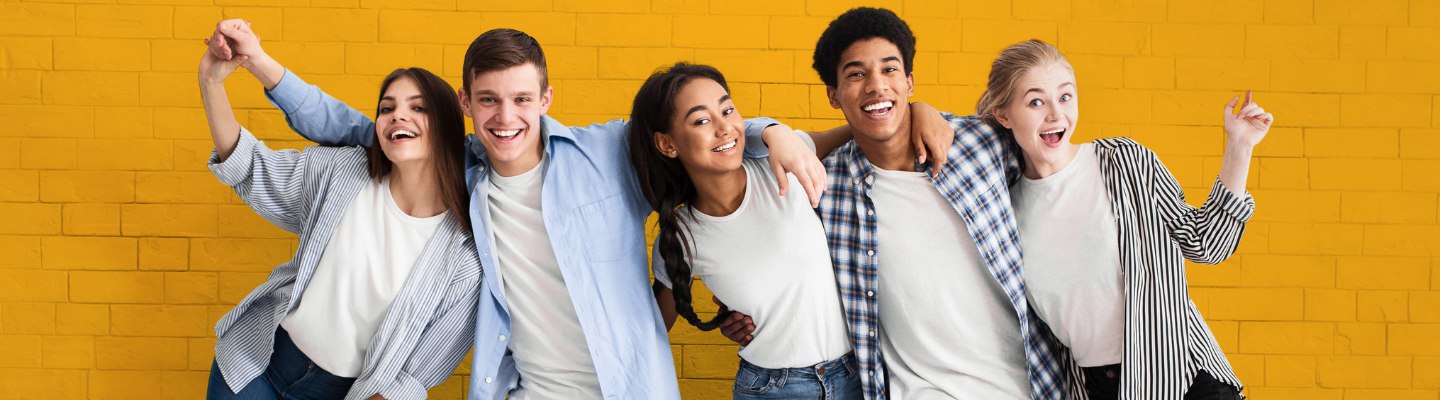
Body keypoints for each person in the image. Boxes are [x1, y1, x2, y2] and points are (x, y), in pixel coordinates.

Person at [203, 20, 825, 400]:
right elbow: (350, 126)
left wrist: (776, 131)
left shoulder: (607, 152)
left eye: (523, 98)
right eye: (490, 101)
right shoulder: (457, 170)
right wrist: (259, 63)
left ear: (546, 98)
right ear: (467, 105)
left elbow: (696, 129)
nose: (508, 117)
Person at [718, 8, 1080, 400]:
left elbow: (1055, 178)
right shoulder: (823, 186)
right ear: (834, 96)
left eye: (889, 70)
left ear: (909, 83)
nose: (876, 85)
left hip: (1030, 384)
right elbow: (731, 154)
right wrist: (738, 306)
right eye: (856, 75)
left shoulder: (981, 143)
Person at [628, 62, 955, 399]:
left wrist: (919, 109)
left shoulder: (784, 162)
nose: (725, 128)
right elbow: (650, 327)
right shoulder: (682, 235)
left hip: (858, 376)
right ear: (667, 144)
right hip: (772, 388)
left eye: (727, 109)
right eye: (701, 120)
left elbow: (869, 128)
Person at [198, 33, 481, 400]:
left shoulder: (465, 254)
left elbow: (415, 374)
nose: (399, 115)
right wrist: (211, 81)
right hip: (257, 366)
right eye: (386, 107)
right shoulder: (343, 172)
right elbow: (249, 166)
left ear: (447, 127)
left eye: (419, 108)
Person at [983, 40, 1267, 400]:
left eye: (1066, 97)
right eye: (1036, 101)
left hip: (1182, 378)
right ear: (1003, 115)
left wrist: (1240, 147)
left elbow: (1206, 244)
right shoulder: (1003, 209)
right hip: (1096, 388)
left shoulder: (1125, 163)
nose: (1056, 114)